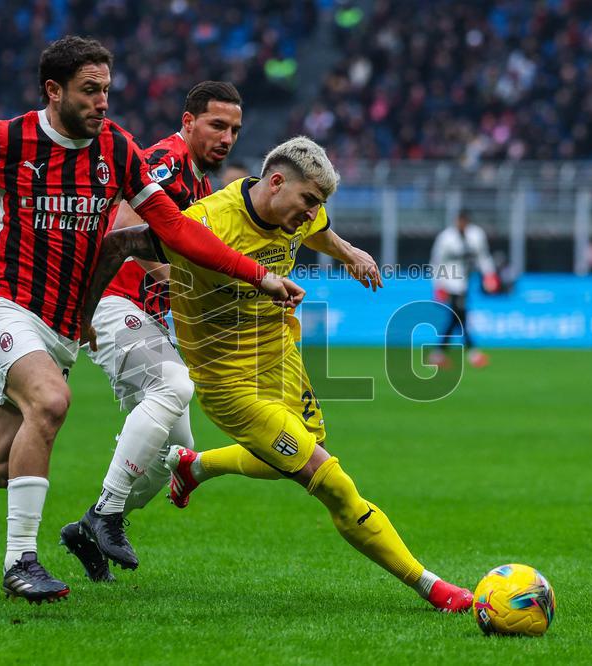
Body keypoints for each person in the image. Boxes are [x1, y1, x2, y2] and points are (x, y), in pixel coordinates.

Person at [0, 36, 302, 604]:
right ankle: (21, 561)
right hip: (0, 303)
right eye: (90, 91)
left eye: (107, 91)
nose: (102, 103)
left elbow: (178, 230)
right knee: (51, 403)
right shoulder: (6, 138)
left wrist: (256, 274)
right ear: (55, 90)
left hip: (64, 327)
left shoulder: (116, 148)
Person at [156, 136, 474, 612]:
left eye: (318, 204)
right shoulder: (209, 221)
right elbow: (131, 238)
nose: (310, 213)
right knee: (329, 479)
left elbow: (320, 231)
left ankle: (194, 466)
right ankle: (431, 586)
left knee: (298, 451)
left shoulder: (299, 210)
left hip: (279, 355)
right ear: (277, 182)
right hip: (229, 383)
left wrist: (351, 254)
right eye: (308, 200)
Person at [58, 81, 244, 580]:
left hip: (147, 314)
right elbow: (121, 229)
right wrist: (180, 280)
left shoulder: (203, 188)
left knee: (171, 458)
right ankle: (107, 513)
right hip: (110, 300)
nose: (227, 138)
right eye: (216, 125)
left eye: (234, 130)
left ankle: (85, 527)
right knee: (175, 386)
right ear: (188, 122)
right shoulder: (165, 159)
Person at [428, 210, 497, 369]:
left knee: (456, 319)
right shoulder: (446, 238)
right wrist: (438, 285)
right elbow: (436, 262)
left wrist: (489, 275)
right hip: (450, 283)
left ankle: (438, 354)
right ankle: (473, 353)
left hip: (465, 283)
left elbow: (483, 257)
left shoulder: (476, 235)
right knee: (460, 317)